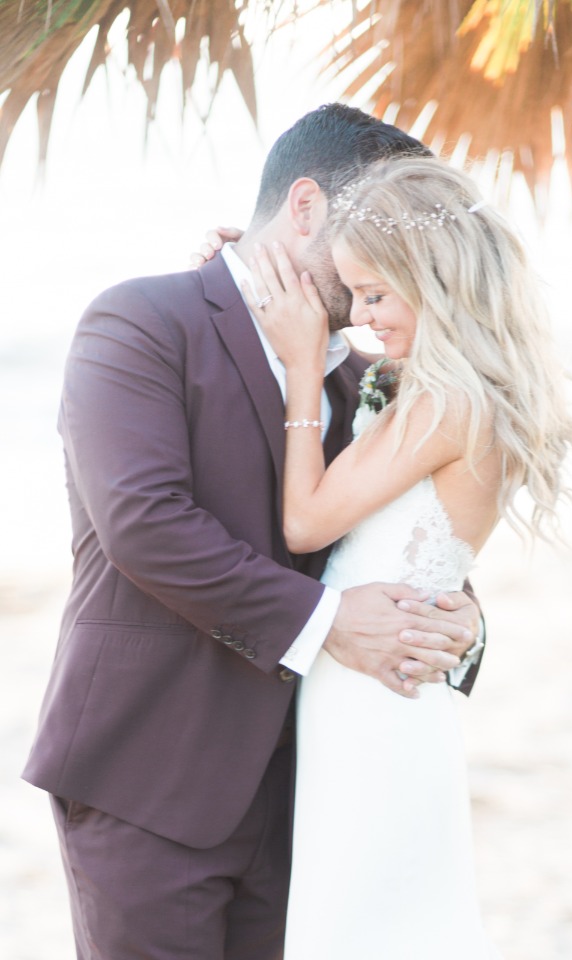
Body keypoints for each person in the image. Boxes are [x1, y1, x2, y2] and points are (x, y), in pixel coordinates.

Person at [22, 104, 483, 960]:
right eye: (375, 222)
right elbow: (145, 524)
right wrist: (334, 624)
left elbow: (390, 530)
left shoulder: (361, 376)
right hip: (149, 778)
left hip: (309, 788)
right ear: (305, 208)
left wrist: (460, 621)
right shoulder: (141, 322)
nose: (394, 254)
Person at [242, 155, 572, 959]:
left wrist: (299, 366)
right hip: (384, 690)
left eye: (375, 293)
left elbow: (305, 523)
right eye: (354, 293)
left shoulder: (448, 401)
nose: (358, 317)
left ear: (433, 278)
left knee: (364, 924)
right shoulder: (449, 388)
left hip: (373, 703)